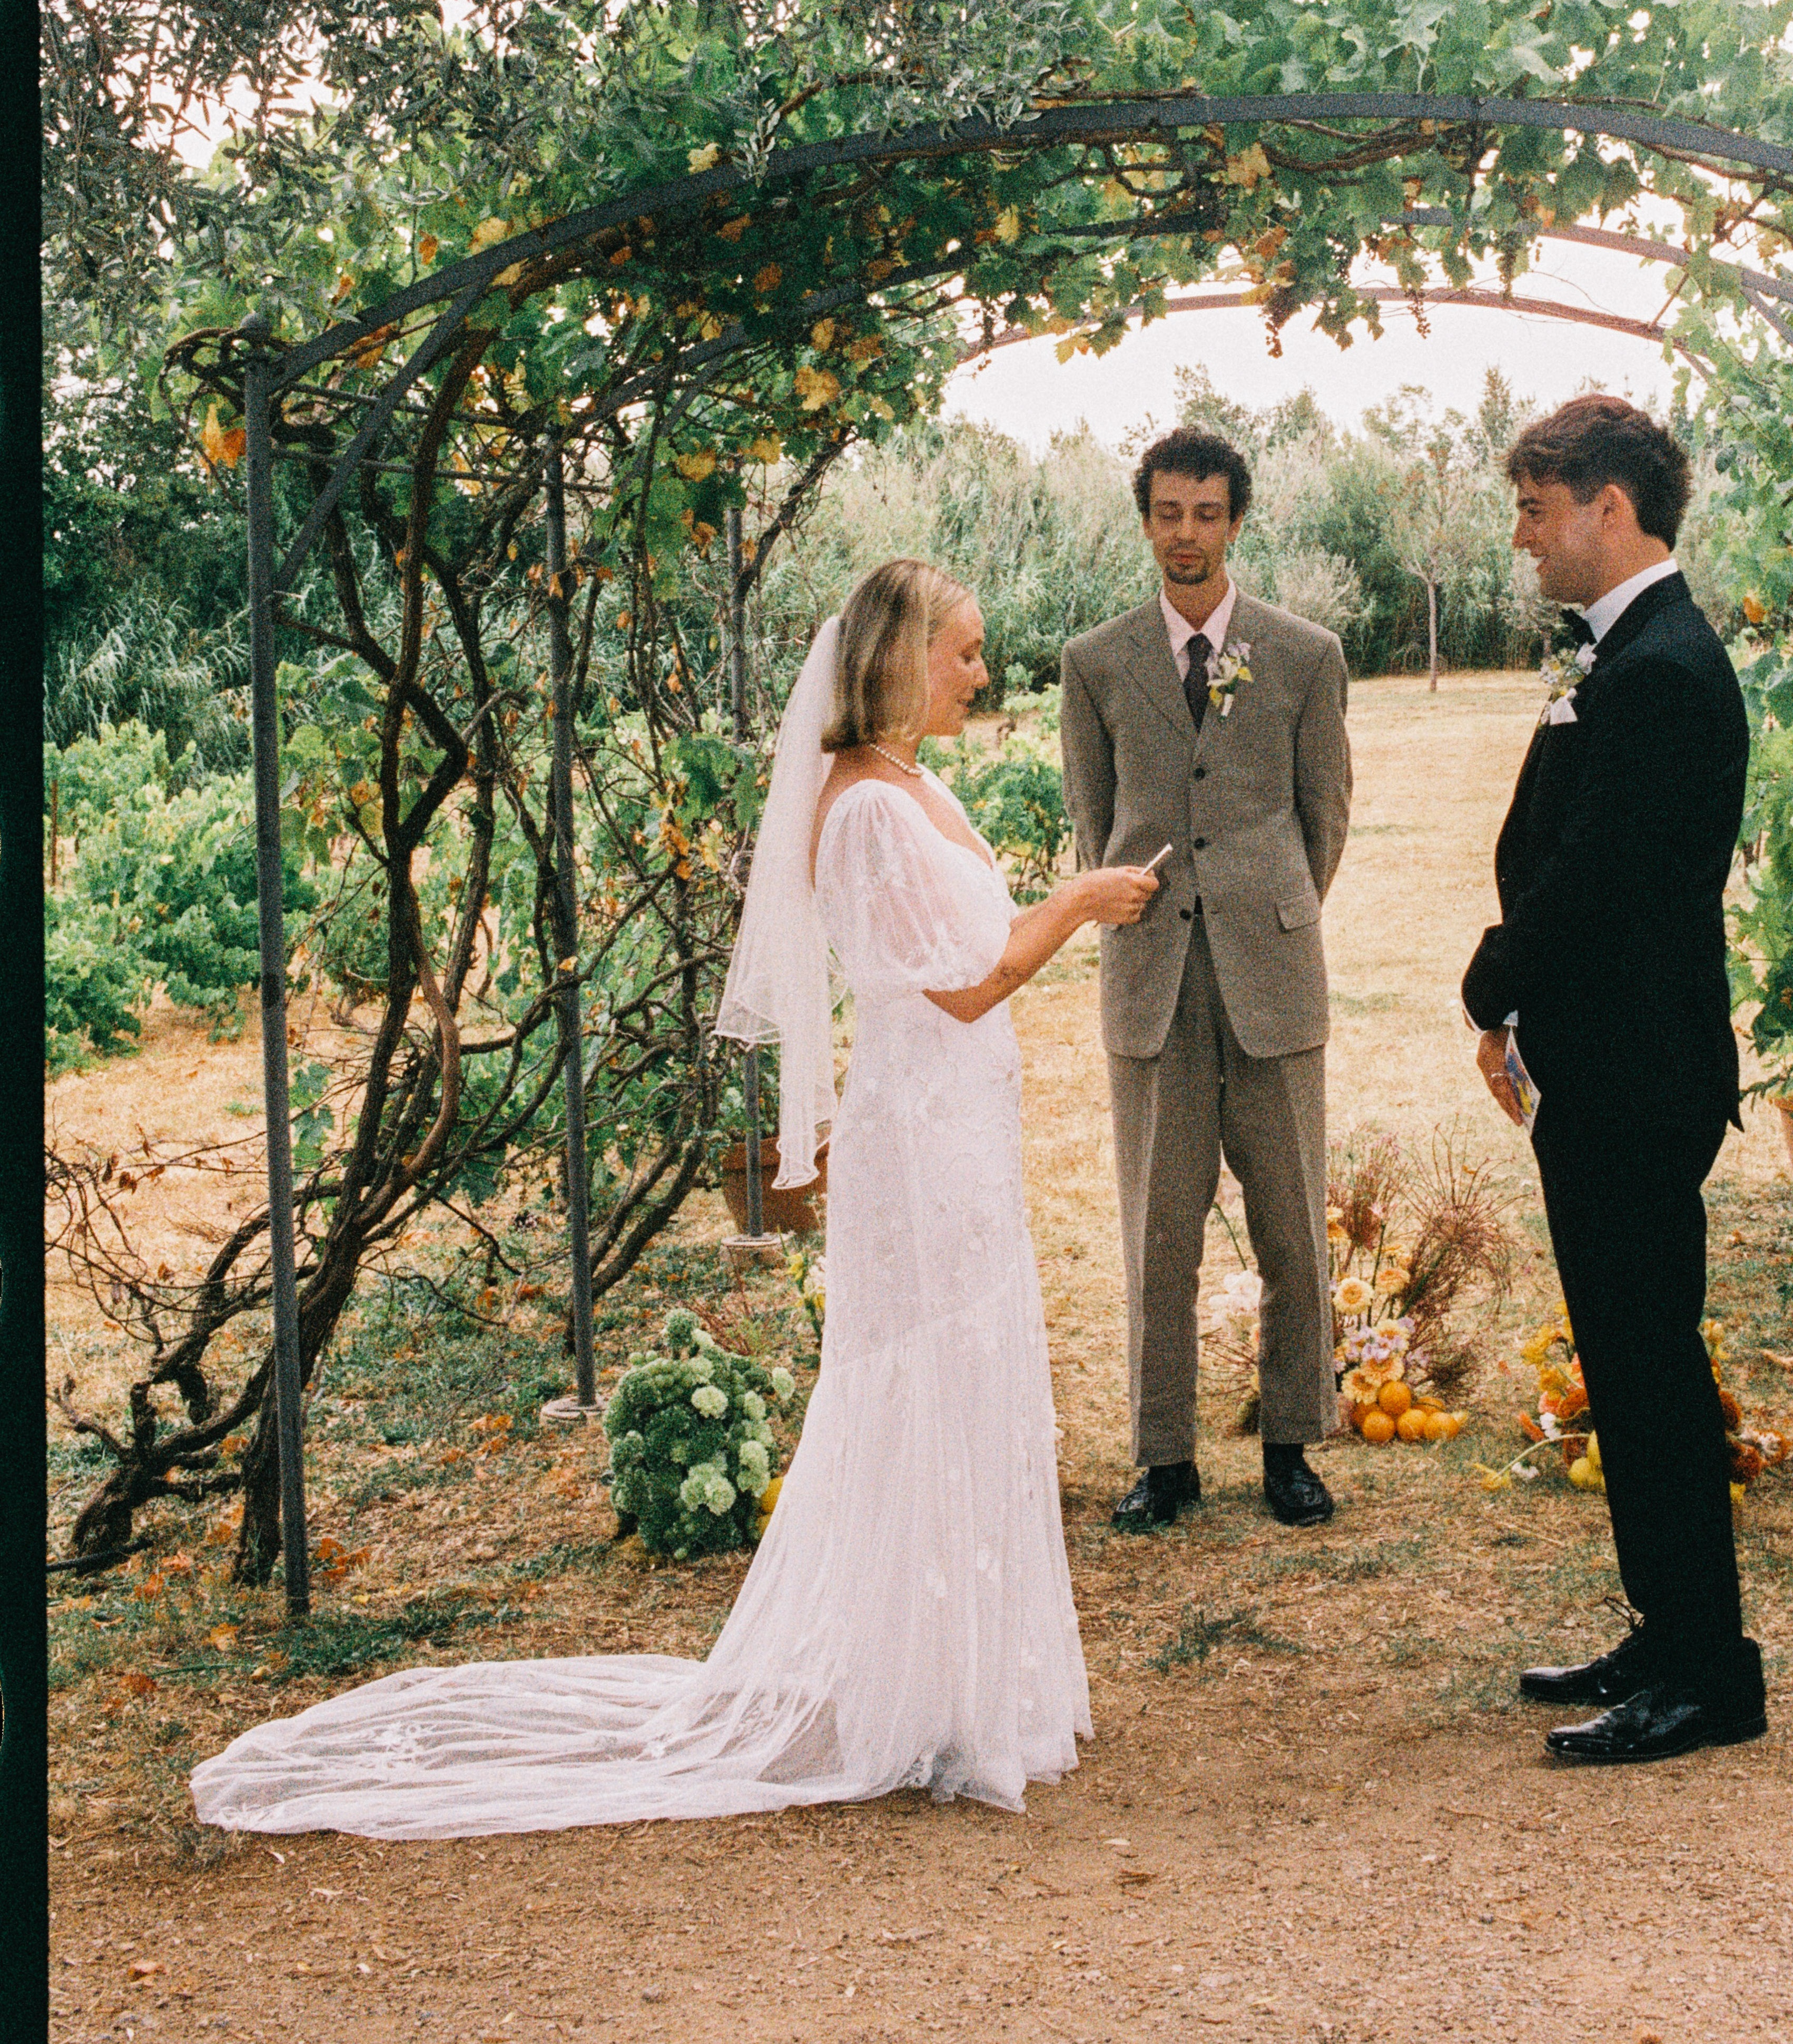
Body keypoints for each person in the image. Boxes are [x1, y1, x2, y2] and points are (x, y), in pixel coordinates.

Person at [191, 561, 1156, 1837]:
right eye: (964, 653)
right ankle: (918, 1699)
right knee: (923, 1381)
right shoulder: (866, 809)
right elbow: (965, 984)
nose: (981, 674)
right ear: (899, 656)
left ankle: (962, 1687)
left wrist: (1061, 906)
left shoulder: (917, 784)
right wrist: (1078, 904)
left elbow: (965, 959)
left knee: (970, 1375)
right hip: (921, 1148)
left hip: (964, 1131)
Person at [1460, 396, 1764, 1767]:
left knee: (1650, 1366)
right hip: (1607, 1058)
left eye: (1539, 510)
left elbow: (1600, 878)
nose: (1525, 537)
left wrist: (1493, 981)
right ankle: (1669, 1626)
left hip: (1639, 1067)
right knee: (1629, 1359)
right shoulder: (1627, 649)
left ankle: (1710, 1672)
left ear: (1612, 508)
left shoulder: (1663, 670)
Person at [1060, 427, 1352, 1533]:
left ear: (1236, 521)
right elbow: (1093, 820)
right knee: (1159, 1229)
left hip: (1272, 974)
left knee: (1291, 1223)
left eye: (1208, 514)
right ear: (1147, 519)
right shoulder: (1094, 662)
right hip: (1152, 978)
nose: (1187, 535)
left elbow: (1324, 820)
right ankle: (1164, 1456)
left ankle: (1291, 1446)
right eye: (1169, 513)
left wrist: (1264, 909)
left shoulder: (1306, 654)